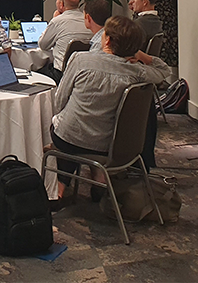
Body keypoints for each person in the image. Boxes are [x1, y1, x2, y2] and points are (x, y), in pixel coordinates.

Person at [49, 16, 169, 200]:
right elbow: (164, 71)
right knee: (78, 129)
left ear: (108, 40)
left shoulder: (80, 60)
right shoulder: (137, 73)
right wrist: (140, 55)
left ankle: (60, 187)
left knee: (63, 127)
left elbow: (59, 100)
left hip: (71, 139)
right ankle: (99, 176)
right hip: (111, 145)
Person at [37, 0, 92, 79]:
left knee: (34, 72)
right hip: (83, 73)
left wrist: (54, 19)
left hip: (61, 74)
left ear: (61, 4)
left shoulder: (57, 21)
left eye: (57, 0)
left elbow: (43, 45)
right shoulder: (88, 21)